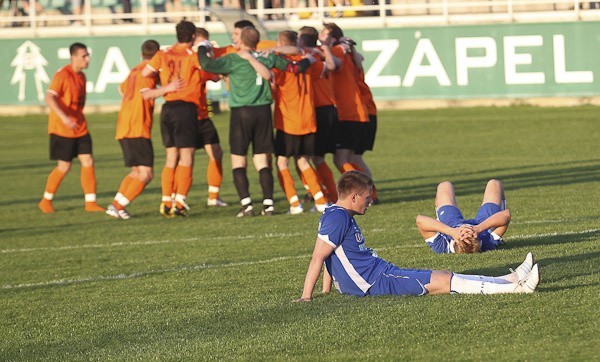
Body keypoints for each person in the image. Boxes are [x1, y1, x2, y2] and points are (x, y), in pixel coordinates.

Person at [294, 171, 539, 302]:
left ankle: (511, 278)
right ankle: (514, 289)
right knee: (442, 280)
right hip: (375, 281)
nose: (369, 203)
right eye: (367, 198)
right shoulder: (337, 217)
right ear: (354, 197)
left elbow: (330, 255)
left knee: (443, 276)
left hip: (379, 274)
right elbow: (318, 258)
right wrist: (306, 297)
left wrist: (327, 291)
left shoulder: (339, 215)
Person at [197, 26, 313, 217]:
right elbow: (292, 66)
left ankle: (247, 204)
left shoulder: (233, 58)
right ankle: (268, 204)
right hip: (263, 112)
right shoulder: (267, 56)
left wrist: (203, 46)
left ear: (241, 40)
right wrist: (309, 58)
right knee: (262, 160)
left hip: (241, 113)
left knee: (238, 161)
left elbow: (206, 64)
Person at [106, 40, 184, 220]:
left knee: (136, 172)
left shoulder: (134, 70)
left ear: (142, 55)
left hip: (124, 126)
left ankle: (116, 205)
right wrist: (167, 88)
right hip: (136, 127)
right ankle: (117, 206)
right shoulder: (147, 74)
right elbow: (145, 94)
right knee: (146, 174)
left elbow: (121, 89)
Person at [271, 30, 334, 214]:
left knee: (282, 163)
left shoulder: (280, 64)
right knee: (304, 162)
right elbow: (328, 66)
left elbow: (272, 81)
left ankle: (294, 204)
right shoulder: (308, 60)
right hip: (308, 119)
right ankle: (322, 201)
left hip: (288, 120)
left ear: (281, 44)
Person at [142, 20, 201, 217]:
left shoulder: (163, 54)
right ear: (193, 36)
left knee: (170, 157)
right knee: (186, 157)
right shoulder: (193, 56)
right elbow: (210, 70)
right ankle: (180, 202)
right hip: (185, 108)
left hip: (167, 109)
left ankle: (166, 200)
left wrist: (164, 86)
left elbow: (145, 72)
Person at [38, 42, 105, 214]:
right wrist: (64, 117)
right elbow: (49, 97)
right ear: (73, 57)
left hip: (80, 127)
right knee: (64, 166)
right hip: (62, 128)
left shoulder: (81, 76)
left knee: (88, 161)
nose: (87, 59)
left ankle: (90, 203)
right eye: (84, 56)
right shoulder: (62, 75)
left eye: (87, 55)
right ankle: (45, 201)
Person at [416, 179, 511, 254]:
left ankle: (439, 211)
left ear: (456, 240)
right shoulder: (487, 242)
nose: (466, 229)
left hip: (450, 223)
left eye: (462, 234)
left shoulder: (442, 246)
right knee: (494, 184)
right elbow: (506, 215)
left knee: (445, 185)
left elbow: (420, 220)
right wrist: (478, 228)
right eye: (470, 234)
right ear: (478, 239)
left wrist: (451, 231)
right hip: (482, 223)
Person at [193, 28, 228, 207]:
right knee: (181, 158)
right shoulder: (192, 60)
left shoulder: (199, 61)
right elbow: (215, 76)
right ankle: (173, 199)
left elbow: (214, 77)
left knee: (216, 152)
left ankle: (213, 197)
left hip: (202, 115)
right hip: (189, 116)